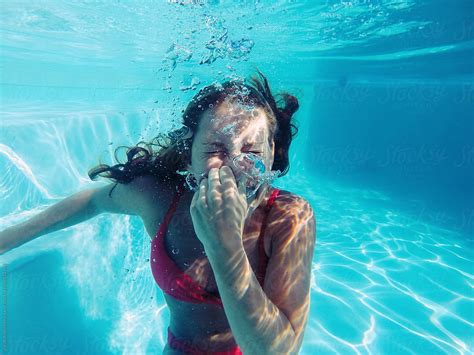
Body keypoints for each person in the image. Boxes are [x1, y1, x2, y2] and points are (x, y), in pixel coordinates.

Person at [0, 70, 316, 354]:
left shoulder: (288, 217)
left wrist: (225, 248)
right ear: (189, 152)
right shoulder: (162, 199)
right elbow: (93, 201)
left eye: (251, 152)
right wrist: (7, 240)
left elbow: (279, 352)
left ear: (272, 154)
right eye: (214, 150)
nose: (233, 168)